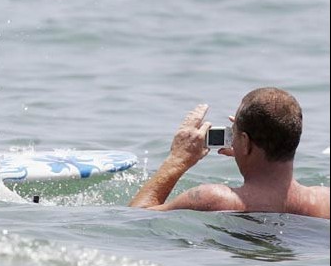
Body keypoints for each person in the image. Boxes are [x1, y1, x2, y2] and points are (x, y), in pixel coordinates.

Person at [129, 87, 329, 219]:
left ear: (245, 142)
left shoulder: (214, 199)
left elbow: (136, 219)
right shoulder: (323, 202)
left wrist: (177, 160)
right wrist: (248, 152)